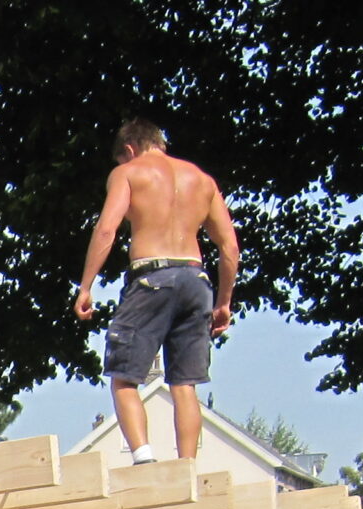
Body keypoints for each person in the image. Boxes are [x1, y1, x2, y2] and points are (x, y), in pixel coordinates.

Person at [71, 117, 240, 465]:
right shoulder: (203, 181)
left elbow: (107, 230)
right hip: (196, 280)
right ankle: (187, 467)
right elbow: (230, 248)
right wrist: (224, 302)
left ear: (129, 149)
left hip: (151, 277)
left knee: (123, 378)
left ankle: (144, 459)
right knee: (185, 385)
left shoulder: (128, 173)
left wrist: (86, 286)